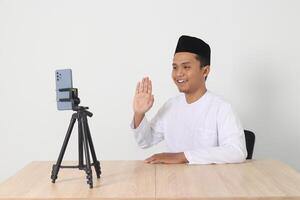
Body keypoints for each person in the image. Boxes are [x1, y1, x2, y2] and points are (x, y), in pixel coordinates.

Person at [130, 35, 247, 164]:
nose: (179, 73)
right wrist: (139, 114)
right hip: (173, 180)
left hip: (210, 182)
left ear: (205, 71)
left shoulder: (221, 108)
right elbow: (146, 141)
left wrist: (183, 156)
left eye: (186, 67)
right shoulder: (171, 106)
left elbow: (237, 152)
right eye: (175, 67)